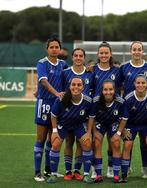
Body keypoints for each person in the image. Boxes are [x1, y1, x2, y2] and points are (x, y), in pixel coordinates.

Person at [46, 77, 94, 183]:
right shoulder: (61, 98)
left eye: (78, 85)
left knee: (86, 143)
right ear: (69, 86)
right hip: (63, 124)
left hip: (79, 124)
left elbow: (91, 117)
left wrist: (89, 132)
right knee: (55, 143)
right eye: (73, 84)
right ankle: (54, 174)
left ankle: (85, 174)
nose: (76, 87)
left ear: (83, 87)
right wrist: (54, 131)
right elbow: (53, 116)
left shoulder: (88, 100)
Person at [33, 38, 68, 181]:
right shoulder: (42, 63)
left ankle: (48, 171)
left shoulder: (63, 64)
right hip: (44, 104)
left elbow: (70, 77)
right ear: (47, 49)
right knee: (40, 138)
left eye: (57, 47)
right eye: (52, 47)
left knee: (52, 139)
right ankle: (37, 172)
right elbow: (43, 80)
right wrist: (56, 93)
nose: (54, 49)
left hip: (58, 105)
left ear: (60, 49)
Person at [116, 74, 147, 183]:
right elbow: (124, 118)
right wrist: (122, 131)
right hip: (131, 125)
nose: (140, 85)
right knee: (127, 145)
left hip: (146, 125)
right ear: (134, 84)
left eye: (143, 83)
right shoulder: (128, 98)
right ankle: (124, 174)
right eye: (138, 83)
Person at [119, 41, 147, 178]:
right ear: (130, 51)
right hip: (129, 111)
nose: (137, 52)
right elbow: (116, 83)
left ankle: (145, 168)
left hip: (146, 110)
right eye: (134, 49)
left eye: (139, 49)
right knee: (128, 141)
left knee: (146, 144)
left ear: (142, 51)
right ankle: (126, 167)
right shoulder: (123, 67)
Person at [61, 48, 94, 180]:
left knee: (82, 143)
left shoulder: (89, 73)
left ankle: (77, 170)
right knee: (69, 141)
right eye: (76, 55)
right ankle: (68, 171)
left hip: (84, 114)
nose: (78, 58)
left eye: (81, 56)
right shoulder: (65, 73)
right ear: (72, 57)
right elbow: (63, 92)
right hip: (68, 113)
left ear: (84, 58)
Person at [91, 41, 121, 178]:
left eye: (106, 53)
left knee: (113, 142)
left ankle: (110, 168)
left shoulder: (117, 70)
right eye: (101, 53)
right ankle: (95, 169)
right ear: (98, 54)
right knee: (96, 141)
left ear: (110, 54)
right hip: (97, 113)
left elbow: (121, 89)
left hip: (114, 112)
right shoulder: (92, 70)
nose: (103, 55)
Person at [89, 80, 124, 183]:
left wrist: (119, 133)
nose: (108, 92)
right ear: (102, 90)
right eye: (105, 90)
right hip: (100, 123)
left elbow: (124, 119)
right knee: (97, 141)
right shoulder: (95, 100)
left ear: (114, 90)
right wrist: (94, 132)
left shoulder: (120, 101)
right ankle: (98, 174)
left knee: (116, 143)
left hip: (113, 123)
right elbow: (92, 117)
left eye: (110, 89)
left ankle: (116, 174)